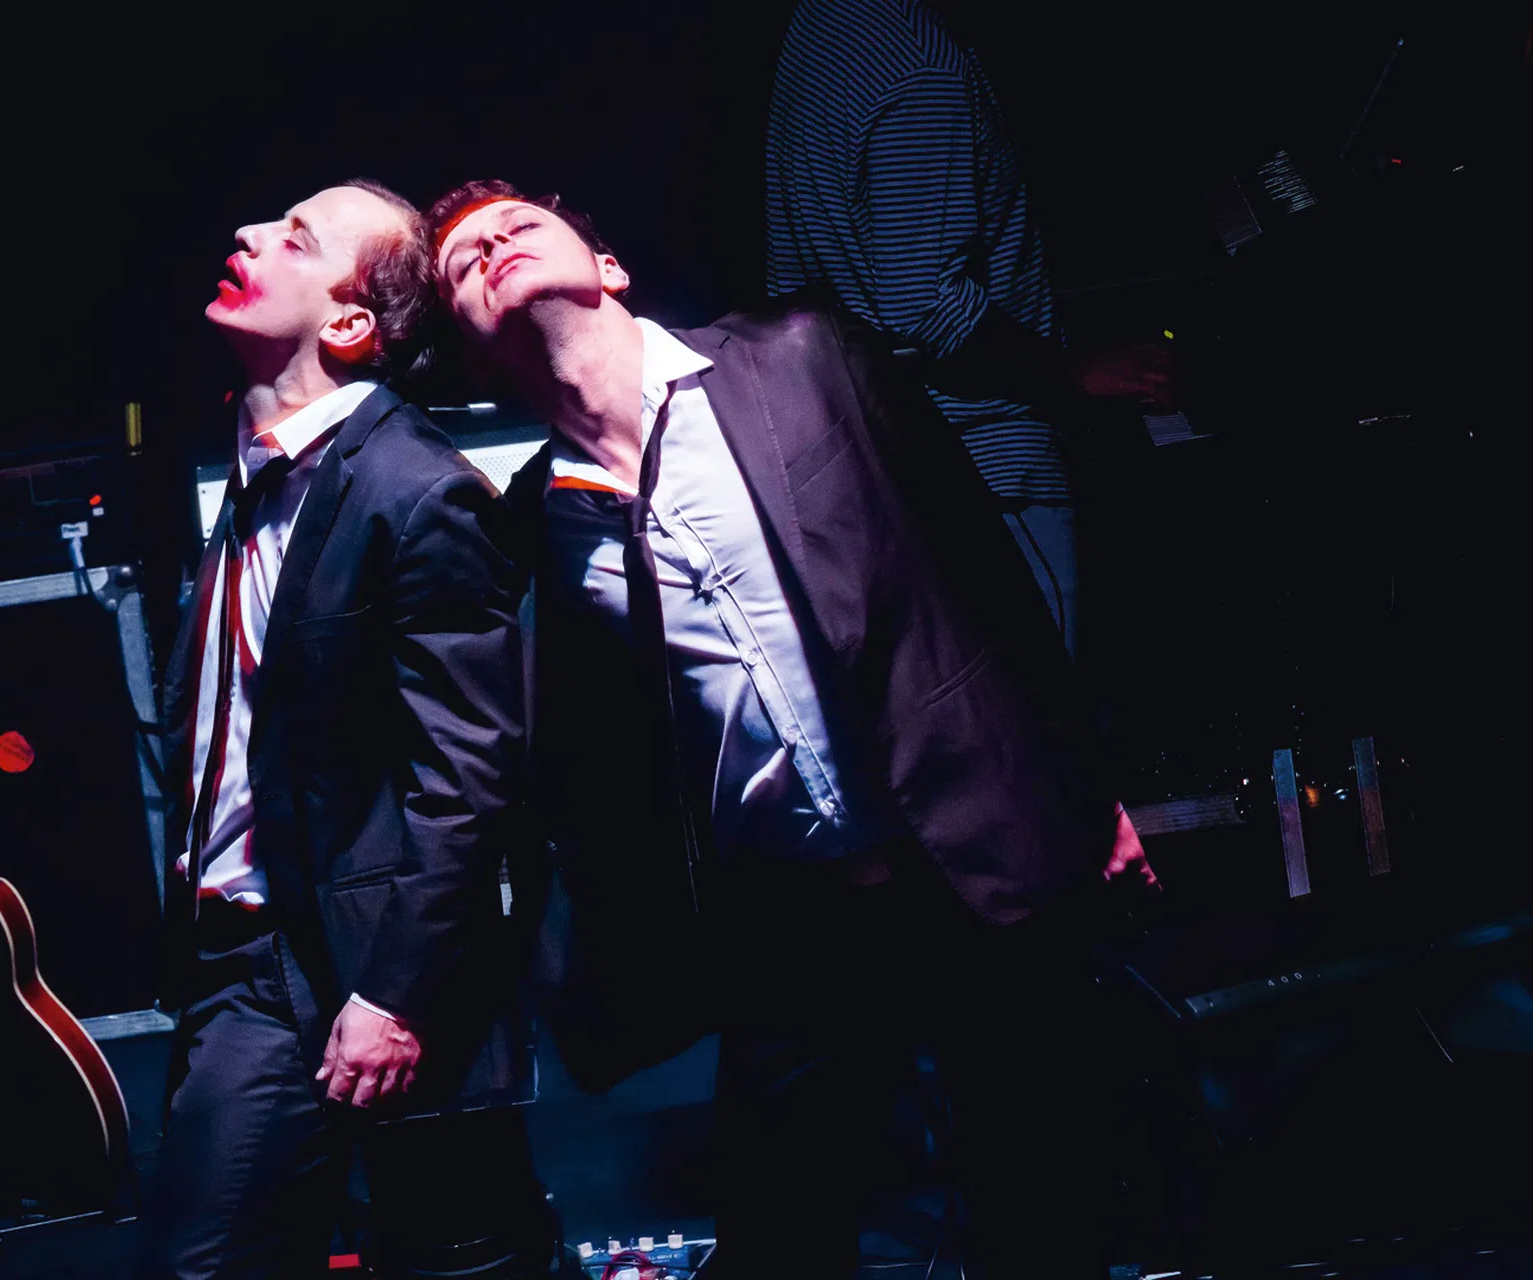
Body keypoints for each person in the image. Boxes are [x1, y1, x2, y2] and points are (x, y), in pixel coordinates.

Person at [427, 179, 1155, 1279]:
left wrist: (1082, 787)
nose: (494, 245)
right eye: (462, 262)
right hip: (794, 920)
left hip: (963, 851)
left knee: (1042, 1213)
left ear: (609, 268)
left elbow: (975, 562)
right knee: (782, 1234)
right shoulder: (534, 523)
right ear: (474, 354)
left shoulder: (801, 355)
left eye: (518, 222)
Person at [144, 180, 550, 1279]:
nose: (245, 233)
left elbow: (470, 774)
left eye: (295, 238)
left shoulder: (416, 490)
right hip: (235, 954)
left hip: (325, 968)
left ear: (350, 322)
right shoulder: (256, 475)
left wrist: (393, 992)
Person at [765, 0, 1172, 658]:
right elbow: (928, 302)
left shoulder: (826, 22)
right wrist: (1074, 373)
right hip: (986, 476)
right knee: (1043, 713)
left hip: (872, 467)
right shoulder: (917, 66)